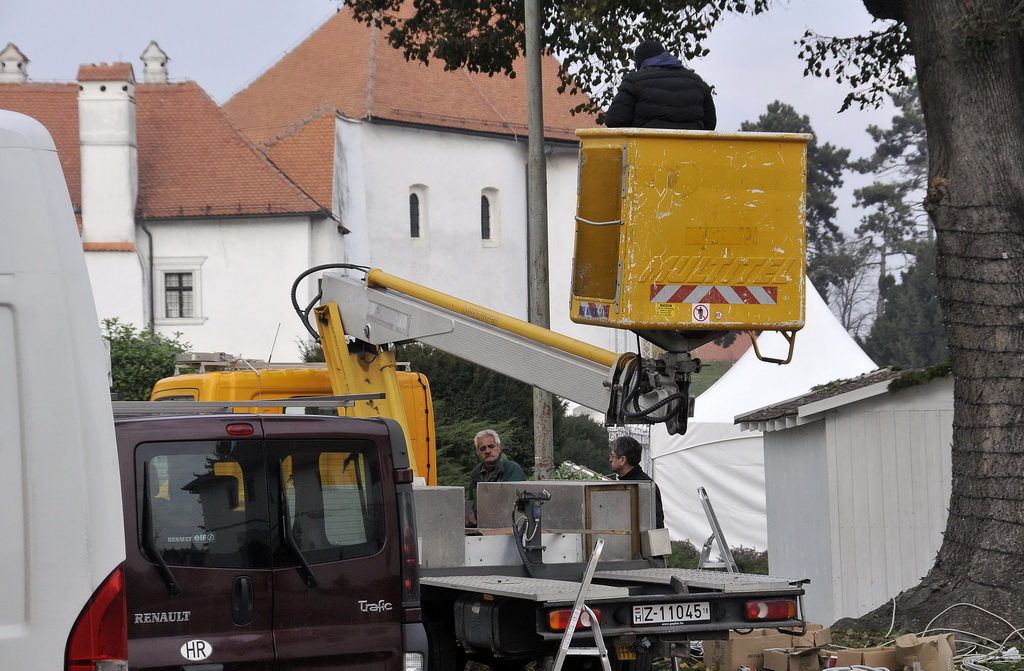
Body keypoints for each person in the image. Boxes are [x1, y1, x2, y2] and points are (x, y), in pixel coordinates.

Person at [604, 39, 717, 131]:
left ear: (640, 62)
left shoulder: (634, 81)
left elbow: (615, 120)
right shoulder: (697, 82)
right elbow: (709, 124)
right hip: (691, 152)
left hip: (646, 151)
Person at [466, 429, 525, 527]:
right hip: (482, 532)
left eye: (491, 446)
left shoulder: (512, 469)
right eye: (482, 448)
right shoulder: (475, 475)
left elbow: (509, 504)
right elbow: (471, 505)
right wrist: (468, 516)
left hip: (509, 530)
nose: (487, 451)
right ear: (478, 453)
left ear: (499, 448)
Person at [609, 435, 665, 529]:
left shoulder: (646, 487)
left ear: (623, 460)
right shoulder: (625, 483)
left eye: (612, 456)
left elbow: (656, 525)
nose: (610, 459)